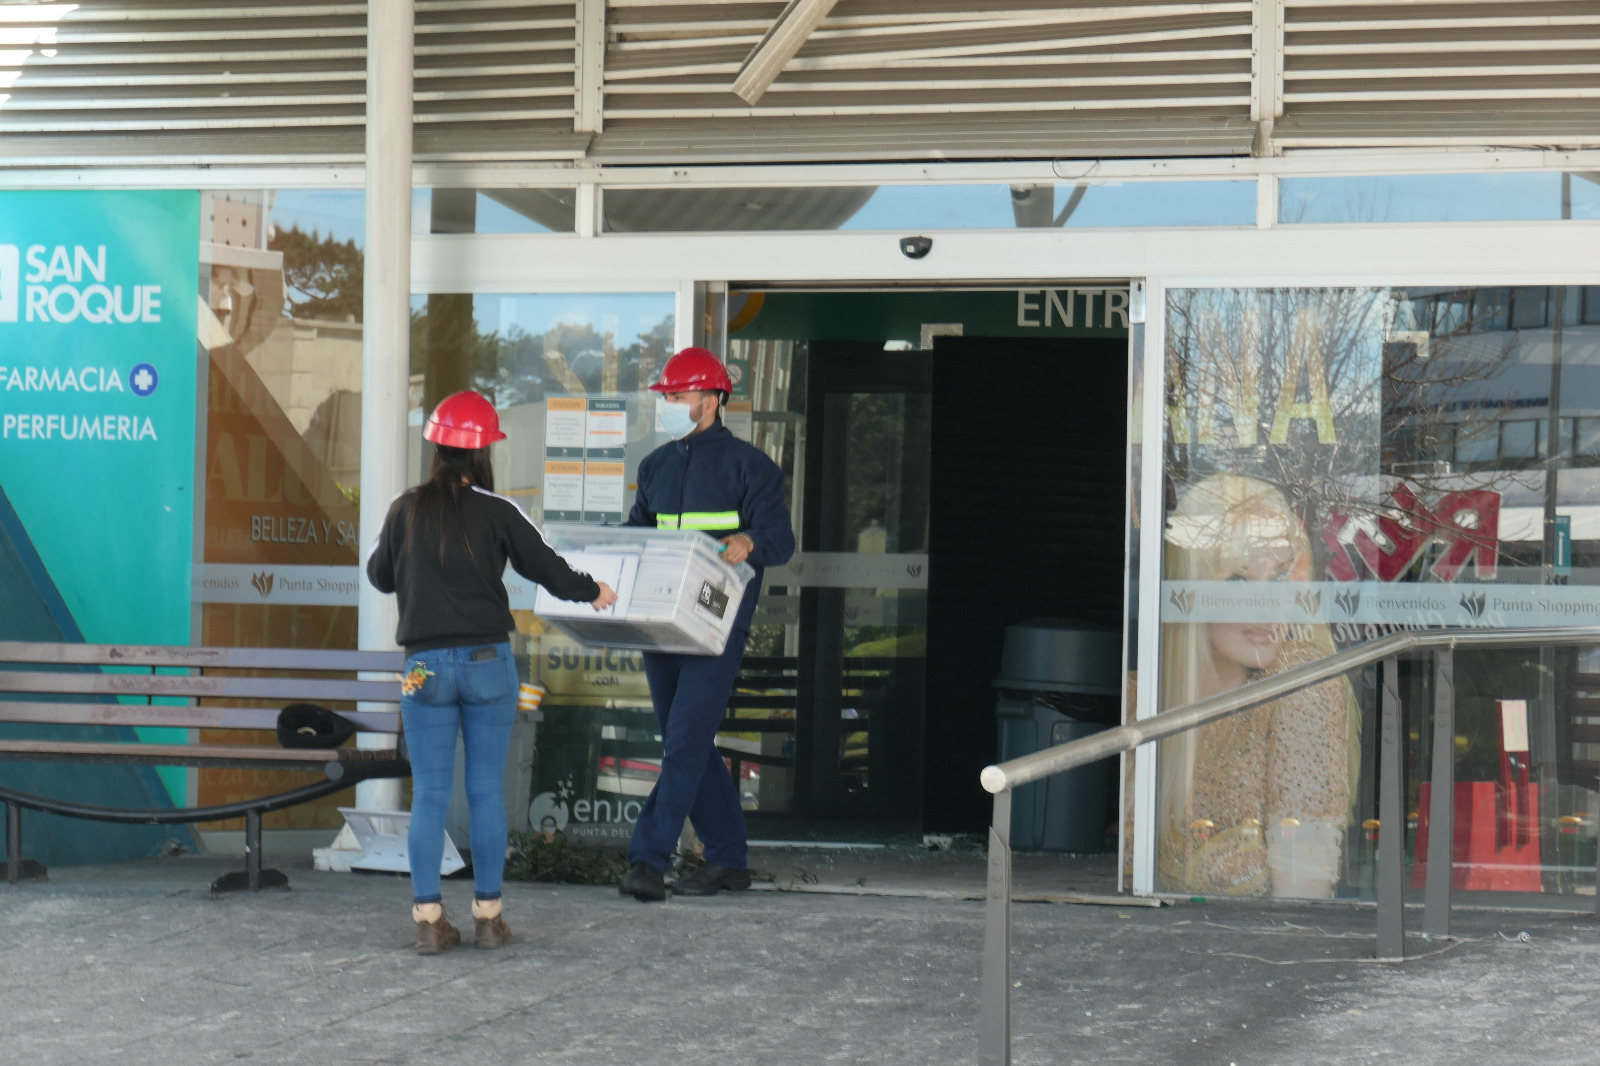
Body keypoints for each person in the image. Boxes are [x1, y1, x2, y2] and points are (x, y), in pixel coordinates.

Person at [367, 390, 617, 954]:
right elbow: (549, 569)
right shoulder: (498, 512)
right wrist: (594, 591)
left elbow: (379, 576)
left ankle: (429, 919)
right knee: (484, 792)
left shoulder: (404, 509)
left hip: (423, 668)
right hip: (485, 664)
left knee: (429, 794)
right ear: (484, 454)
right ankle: (487, 916)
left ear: (434, 446)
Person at [618, 347, 796, 901]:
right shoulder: (654, 467)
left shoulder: (751, 467)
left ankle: (647, 859)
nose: (669, 404)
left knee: (685, 739)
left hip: (717, 625)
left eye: (678, 395)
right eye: (666, 396)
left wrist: (749, 542)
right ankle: (727, 860)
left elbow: (780, 542)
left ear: (713, 398)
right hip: (661, 621)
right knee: (685, 741)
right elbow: (637, 536)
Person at [1157, 473, 1359, 898]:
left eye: (1281, 578)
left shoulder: (1301, 687)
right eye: (1236, 580)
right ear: (1188, 586)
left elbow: (1302, 893)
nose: (1268, 605)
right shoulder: (1147, 693)